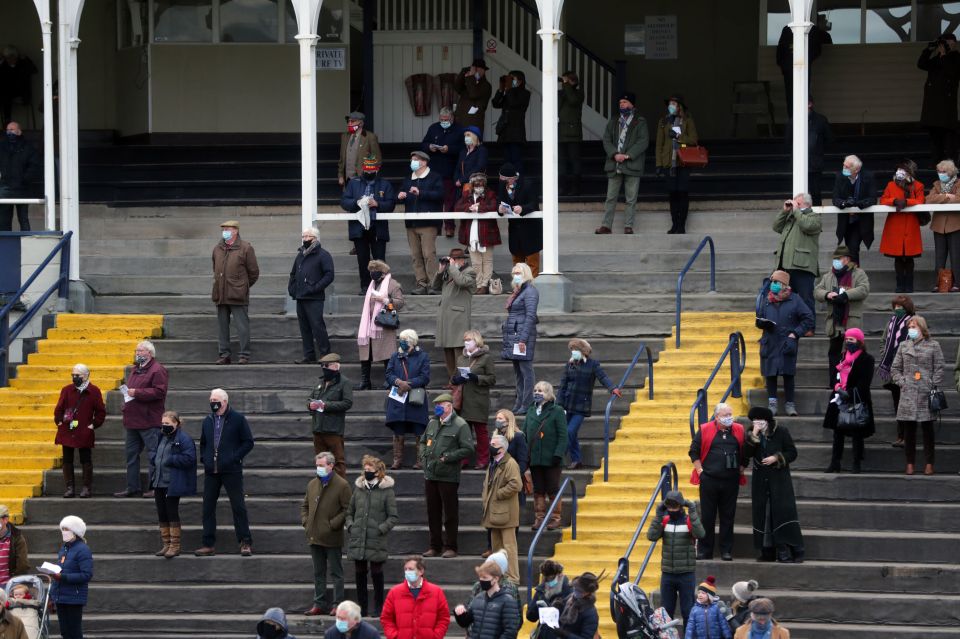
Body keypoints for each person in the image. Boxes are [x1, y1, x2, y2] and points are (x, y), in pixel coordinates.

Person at [194, 388, 255, 557]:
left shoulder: (238, 419)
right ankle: (208, 544)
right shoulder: (207, 420)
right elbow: (204, 443)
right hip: (211, 471)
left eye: (216, 399)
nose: (213, 402)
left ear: (225, 401)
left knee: (238, 507)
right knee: (207, 508)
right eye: (211, 399)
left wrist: (234, 458)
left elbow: (248, 442)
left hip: (231, 470)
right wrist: (204, 459)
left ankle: (245, 542)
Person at [744, 406, 804, 563]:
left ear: (767, 420)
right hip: (761, 480)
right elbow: (745, 454)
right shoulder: (751, 434)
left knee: (782, 512)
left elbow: (792, 452)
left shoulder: (781, 431)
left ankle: (788, 549)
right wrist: (754, 436)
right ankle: (767, 551)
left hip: (779, 480)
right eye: (754, 421)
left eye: (760, 420)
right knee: (763, 514)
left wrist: (777, 457)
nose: (757, 423)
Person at [419, 392, 474, 558]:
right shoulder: (432, 423)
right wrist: (423, 456)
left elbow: (468, 449)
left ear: (449, 406)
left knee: (450, 513)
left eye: (441, 405)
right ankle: (434, 546)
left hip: (448, 475)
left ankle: (451, 546)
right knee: (432, 512)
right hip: (431, 474)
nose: (437, 407)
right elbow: (423, 441)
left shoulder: (460, 425)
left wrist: (448, 457)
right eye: (436, 405)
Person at [689, 403, 745, 561]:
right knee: (707, 517)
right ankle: (705, 550)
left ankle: (726, 551)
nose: (729, 418)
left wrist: (740, 468)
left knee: (728, 516)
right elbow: (693, 451)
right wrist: (700, 472)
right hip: (709, 480)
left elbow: (745, 452)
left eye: (730, 414)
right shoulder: (705, 429)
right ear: (717, 416)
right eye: (725, 415)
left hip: (730, 481)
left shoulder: (738, 430)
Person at [891, 315, 945, 475]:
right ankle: (910, 463)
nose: (911, 330)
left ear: (922, 328)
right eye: (910, 327)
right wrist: (902, 382)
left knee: (928, 431)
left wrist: (932, 383)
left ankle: (929, 463)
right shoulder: (903, 345)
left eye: (914, 326)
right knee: (909, 430)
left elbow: (940, 366)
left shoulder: (934, 345)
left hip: (926, 392)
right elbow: (895, 368)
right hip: (908, 393)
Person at [556, 338, 621, 470]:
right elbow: (563, 385)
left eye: (575, 350)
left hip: (581, 405)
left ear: (583, 351)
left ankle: (557, 458)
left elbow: (603, 377)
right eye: (572, 350)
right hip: (567, 404)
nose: (573, 352)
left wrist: (612, 388)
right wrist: (559, 404)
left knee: (569, 431)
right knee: (569, 433)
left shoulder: (592, 365)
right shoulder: (569, 365)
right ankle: (577, 460)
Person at [757, 270, 815, 416]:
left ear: (784, 284)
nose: (773, 285)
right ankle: (772, 404)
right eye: (772, 282)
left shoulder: (795, 299)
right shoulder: (766, 299)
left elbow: (808, 318)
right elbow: (759, 317)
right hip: (770, 341)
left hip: (786, 342)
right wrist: (762, 324)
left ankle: (790, 404)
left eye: (776, 282)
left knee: (788, 374)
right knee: (770, 374)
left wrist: (795, 333)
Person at [346, 455, 398, 617]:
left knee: (376, 572)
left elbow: (393, 516)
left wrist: (381, 529)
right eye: (365, 469)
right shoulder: (358, 489)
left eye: (369, 469)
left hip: (376, 539)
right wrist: (351, 526)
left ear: (378, 471)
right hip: (359, 537)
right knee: (360, 572)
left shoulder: (386, 491)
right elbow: (350, 512)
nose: (366, 472)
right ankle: (362, 607)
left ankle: (378, 606)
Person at [302, 452, 352, 616]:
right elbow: (305, 506)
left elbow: (348, 509)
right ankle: (319, 603)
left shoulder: (342, 485)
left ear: (331, 465)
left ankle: (337, 604)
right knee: (318, 572)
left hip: (332, 536)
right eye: (317, 465)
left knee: (336, 573)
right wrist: (306, 522)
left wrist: (333, 524)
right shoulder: (312, 484)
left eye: (322, 465)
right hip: (314, 536)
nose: (319, 468)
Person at [116, 340, 168, 498]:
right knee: (131, 456)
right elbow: (131, 391)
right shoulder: (135, 369)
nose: (137, 353)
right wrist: (126, 402)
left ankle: (154, 488)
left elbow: (159, 392)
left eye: (141, 351)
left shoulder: (158, 370)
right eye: (136, 351)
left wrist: (136, 393)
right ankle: (133, 487)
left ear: (150, 353)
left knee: (153, 455)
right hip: (132, 420)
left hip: (149, 421)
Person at [814, 245, 871, 388]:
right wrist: (827, 295)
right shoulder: (829, 276)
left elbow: (864, 289)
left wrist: (845, 295)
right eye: (835, 259)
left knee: (853, 352)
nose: (836, 262)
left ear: (847, 259)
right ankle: (834, 382)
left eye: (839, 258)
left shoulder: (858, 273)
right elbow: (817, 291)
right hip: (834, 322)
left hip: (850, 320)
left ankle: (852, 382)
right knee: (834, 353)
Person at [646, 489, 705, 625]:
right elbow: (651, 536)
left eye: (675, 506)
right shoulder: (664, 520)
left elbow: (700, 534)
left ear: (681, 506)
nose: (672, 510)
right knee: (665, 614)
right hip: (667, 575)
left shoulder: (689, 520)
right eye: (669, 507)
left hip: (686, 575)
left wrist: (692, 510)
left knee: (688, 612)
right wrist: (658, 515)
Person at [823, 328, 875, 474]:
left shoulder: (867, 359)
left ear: (859, 341)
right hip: (839, 398)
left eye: (851, 340)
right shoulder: (842, 357)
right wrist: (837, 386)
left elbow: (865, 382)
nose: (848, 342)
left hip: (856, 399)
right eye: (847, 339)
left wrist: (849, 393)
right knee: (837, 432)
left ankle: (857, 462)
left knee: (857, 432)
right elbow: (834, 375)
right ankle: (835, 462)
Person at [597, 92, 648, 235]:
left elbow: (643, 141)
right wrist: (615, 154)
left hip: (631, 164)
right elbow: (606, 139)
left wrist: (627, 155)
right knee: (611, 197)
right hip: (615, 163)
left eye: (624, 103)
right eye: (620, 103)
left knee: (631, 198)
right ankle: (606, 225)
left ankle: (628, 225)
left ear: (632, 104)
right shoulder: (614, 121)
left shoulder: (640, 121)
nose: (622, 105)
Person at [341, 158, 395, 293]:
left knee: (380, 259)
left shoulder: (385, 184)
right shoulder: (353, 183)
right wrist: (357, 202)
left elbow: (391, 204)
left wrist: (378, 204)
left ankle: (381, 286)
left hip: (378, 227)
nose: (368, 172)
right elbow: (344, 202)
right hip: (359, 228)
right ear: (362, 170)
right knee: (362, 259)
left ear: (376, 170)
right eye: (366, 170)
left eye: (371, 170)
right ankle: (365, 287)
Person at [149, 410, 196, 559]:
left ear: (176, 423)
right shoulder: (161, 436)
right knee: (161, 513)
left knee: (171, 512)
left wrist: (171, 460)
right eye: (163, 423)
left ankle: (175, 546)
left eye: (167, 423)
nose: (164, 426)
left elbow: (190, 458)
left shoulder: (184, 438)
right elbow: (155, 452)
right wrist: (154, 458)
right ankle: (166, 544)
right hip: (158, 481)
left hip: (172, 482)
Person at [54, 364, 106, 498]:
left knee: (85, 458)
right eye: (73, 375)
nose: (75, 377)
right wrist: (59, 422)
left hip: (84, 430)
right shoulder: (66, 390)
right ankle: (70, 488)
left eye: (78, 375)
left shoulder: (94, 391)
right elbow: (58, 409)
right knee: (67, 459)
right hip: (67, 429)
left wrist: (93, 425)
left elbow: (100, 412)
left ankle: (86, 488)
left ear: (86, 375)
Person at [212, 219, 260, 365]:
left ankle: (244, 354)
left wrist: (243, 286)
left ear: (235, 231)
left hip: (238, 294)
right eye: (223, 229)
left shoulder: (246, 248)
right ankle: (224, 354)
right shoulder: (217, 248)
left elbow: (254, 272)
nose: (225, 231)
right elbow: (215, 268)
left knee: (242, 326)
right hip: (221, 294)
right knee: (222, 327)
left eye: (228, 229)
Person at [398, 150, 444, 295]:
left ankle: (434, 284)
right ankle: (421, 283)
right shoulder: (408, 179)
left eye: (416, 159)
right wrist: (399, 196)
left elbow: (440, 195)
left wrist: (421, 192)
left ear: (424, 162)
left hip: (428, 223)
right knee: (415, 255)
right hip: (411, 223)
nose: (413, 162)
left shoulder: (435, 177)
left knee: (429, 254)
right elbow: (398, 195)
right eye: (412, 159)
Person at [522, 381, 567, 531]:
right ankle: (539, 518)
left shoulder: (557, 410)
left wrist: (558, 454)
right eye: (535, 390)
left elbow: (563, 436)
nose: (536, 392)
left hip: (552, 458)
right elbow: (525, 433)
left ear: (548, 393)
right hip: (535, 458)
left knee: (552, 489)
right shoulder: (530, 411)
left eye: (540, 390)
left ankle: (555, 518)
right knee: (538, 489)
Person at [385, 329, 431, 470]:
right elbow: (389, 374)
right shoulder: (395, 356)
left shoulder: (423, 356)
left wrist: (408, 384)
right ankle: (397, 460)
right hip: (398, 398)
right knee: (398, 429)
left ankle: (420, 460)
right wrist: (399, 382)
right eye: (401, 339)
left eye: (404, 340)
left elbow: (425, 377)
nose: (402, 342)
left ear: (412, 341)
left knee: (419, 429)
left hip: (415, 399)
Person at [772, 193, 821, 324]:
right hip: (785, 265)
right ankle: (791, 324)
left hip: (803, 265)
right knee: (785, 296)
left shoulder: (814, 217)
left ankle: (809, 326)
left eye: (797, 203)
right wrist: (784, 211)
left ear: (806, 204)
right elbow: (776, 227)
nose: (794, 205)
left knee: (805, 297)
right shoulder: (792, 216)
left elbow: (807, 226)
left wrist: (796, 211)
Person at [356, 259, 404, 392]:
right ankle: (365, 381)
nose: (372, 273)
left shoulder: (393, 284)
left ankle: (389, 380)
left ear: (383, 272)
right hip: (368, 326)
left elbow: (400, 303)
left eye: (375, 271)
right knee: (366, 352)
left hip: (384, 324)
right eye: (371, 271)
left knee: (387, 353)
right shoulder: (371, 284)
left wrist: (385, 300)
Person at [288, 227, 334, 364]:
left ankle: (326, 355)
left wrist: (315, 288)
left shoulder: (323, 255)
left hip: (314, 298)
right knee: (304, 328)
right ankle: (309, 355)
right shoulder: (300, 255)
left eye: (308, 236)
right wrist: (292, 288)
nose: (305, 239)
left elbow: (329, 275)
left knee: (317, 326)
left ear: (315, 238)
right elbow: (293, 274)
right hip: (300, 297)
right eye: (304, 236)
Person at [879, 160, 926, 293]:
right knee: (898, 257)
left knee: (909, 257)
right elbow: (883, 200)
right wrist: (894, 201)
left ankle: (909, 284)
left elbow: (920, 200)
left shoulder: (918, 185)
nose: (900, 172)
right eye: (898, 169)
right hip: (895, 225)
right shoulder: (890, 184)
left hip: (910, 224)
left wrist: (906, 202)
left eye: (903, 170)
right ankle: (900, 284)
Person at [480, 435, 522, 581]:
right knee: (496, 548)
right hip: (494, 512)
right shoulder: (493, 463)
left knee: (509, 547)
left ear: (502, 448)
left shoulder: (510, 463)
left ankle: (512, 578)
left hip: (506, 513)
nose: (490, 446)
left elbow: (516, 484)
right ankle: (500, 575)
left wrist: (498, 493)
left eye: (493, 444)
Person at [655, 94, 699, 234]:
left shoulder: (687, 120)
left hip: (683, 162)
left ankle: (681, 225)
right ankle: (674, 224)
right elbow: (659, 145)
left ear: (679, 106)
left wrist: (679, 137)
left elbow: (694, 140)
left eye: (674, 104)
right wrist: (659, 164)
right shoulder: (663, 121)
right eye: (670, 104)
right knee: (672, 194)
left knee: (682, 193)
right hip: (669, 163)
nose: (671, 106)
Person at [453, 329, 496, 468]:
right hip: (463, 400)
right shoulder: (461, 358)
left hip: (478, 400)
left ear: (476, 341)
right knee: (464, 432)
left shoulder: (486, 358)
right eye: (465, 340)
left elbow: (492, 378)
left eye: (469, 340)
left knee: (481, 432)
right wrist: (456, 379)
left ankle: (483, 460)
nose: (466, 343)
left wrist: (477, 377)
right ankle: (464, 460)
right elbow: (453, 378)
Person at [876, 296, 915, 447]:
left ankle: (908, 436)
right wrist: (886, 355)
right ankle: (900, 435)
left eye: (900, 307)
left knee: (907, 405)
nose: (897, 310)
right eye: (895, 307)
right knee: (897, 404)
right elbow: (883, 341)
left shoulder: (914, 321)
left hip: (908, 370)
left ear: (907, 308)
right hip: (893, 370)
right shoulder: (891, 323)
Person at [380, 556, 450, 639]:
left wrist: (436, 636)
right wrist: (394, 636)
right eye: (405, 569)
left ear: (421, 571)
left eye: (411, 569)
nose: (407, 572)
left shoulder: (436, 592)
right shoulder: (394, 592)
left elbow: (443, 618)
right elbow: (386, 618)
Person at [434, 248, 477, 381]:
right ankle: (452, 380)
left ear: (462, 260)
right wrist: (440, 271)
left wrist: (452, 267)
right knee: (448, 350)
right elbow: (434, 286)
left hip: (458, 317)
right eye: (451, 259)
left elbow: (461, 282)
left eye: (454, 259)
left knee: (459, 351)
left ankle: (461, 380)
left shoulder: (470, 272)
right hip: (446, 317)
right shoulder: (450, 271)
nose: (451, 262)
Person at [421, 107, 465, 235]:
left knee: (449, 201)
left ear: (452, 118)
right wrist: (429, 147)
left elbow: (462, 149)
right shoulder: (433, 128)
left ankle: (449, 227)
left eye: (446, 120)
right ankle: (436, 227)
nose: (443, 121)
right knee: (435, 199)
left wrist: (449, 149)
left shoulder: (459, 130)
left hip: (450, 170)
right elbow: (423, 144)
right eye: (441, 119)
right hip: (434, 170)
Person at [308, 353, 354, 477]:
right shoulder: (320, 382)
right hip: (318, 429)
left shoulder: (344, 383)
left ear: (335, 367)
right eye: (322, 366)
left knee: (338, 462)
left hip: (333, 430)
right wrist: (310, 405)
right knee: (320, 463)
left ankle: (339, 491)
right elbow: (310, 398)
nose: (324, 368)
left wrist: (325, 405)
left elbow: (347, 403)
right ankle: (322, 486)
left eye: (326, 365)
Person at [918, 32, 960, 163]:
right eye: (944, 43)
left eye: (949, 44)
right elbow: (921, 64)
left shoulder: (956, 58)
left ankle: (951, 162)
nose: (946, 46)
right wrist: (929, 49)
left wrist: (945, 55)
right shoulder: (936, 59)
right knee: (935, 135)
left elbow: (952, 72)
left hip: (946, 104)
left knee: (949, 135)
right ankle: (937, 161)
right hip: (932, 104)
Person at [503, 263, 539, 413]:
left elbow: (530, 316)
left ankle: (527, 403)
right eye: (514, 273)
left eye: (519, 273)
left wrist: (523, 339)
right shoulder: (519, 291)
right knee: (518, 372)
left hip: (523, 336)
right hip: (515, 336)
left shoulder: (530, 291)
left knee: (526, 371)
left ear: (526, 274)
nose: (516, 275)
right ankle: (519, 403)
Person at [456, 172, 500, 294]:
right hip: (470, 233)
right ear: (472, 185)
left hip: (487, 233)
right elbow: (457, 207)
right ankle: (478, 284)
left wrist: (479, 208)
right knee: (475, 262)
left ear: (484, 184)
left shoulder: (490, 194)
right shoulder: (466, 194)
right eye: (476, 184)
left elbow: (494, 206)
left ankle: (485, 285)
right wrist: (469, 207)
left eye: (481, 183)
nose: (478, 186)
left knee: (487, 261)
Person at [50, 516, 93, 639]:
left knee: (74, 632)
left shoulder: (83, 549)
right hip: (61, 596)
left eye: (66, 529)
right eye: (62, 529)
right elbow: (60, 570)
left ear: (75, 531)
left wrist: (63, 577)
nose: (63, 532)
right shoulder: (64, 548)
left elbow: (87, 574)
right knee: (65, 632)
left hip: (74, 597)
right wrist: (52, 595)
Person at [453, 560, 520, 639]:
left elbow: (510, 632)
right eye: (480, 577)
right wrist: (460, 612)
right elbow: (465, 623)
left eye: (485, 577)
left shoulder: (508, 601)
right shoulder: (478, 598)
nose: (481, 580)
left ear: (495, 579)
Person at [497, 163, 541, 276]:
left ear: (512, 178)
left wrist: (522, 208)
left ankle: (531, 289)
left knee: (532, 263)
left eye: (504, 180)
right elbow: (499, 201)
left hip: (530, 229)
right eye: (500, 179)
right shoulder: (502, 185)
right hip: (514, 231)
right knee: (517, 264)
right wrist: (500, 209)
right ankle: (518, 289)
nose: (501, 181)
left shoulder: (528, 184)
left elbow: (534, 203)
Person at [831, 154, 877, 265]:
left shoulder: (868, 176)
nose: (844, 169)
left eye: (847, 167)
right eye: (843, 166)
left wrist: (859, 205)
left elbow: (872, 198)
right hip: (846, 221)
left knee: (853, 248)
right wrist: (844, 203)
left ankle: (855, 277)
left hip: (862, 220)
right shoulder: (840, 176)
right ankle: (852, 275)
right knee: (850, 250)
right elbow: (835, 198)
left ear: (857, 169)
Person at [925, 158, 960, 292]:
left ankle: (957, 283)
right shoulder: (936, 185)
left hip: (956, 225)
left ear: (951, 172)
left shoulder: (958, 183)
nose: (941, 173)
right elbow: (928, 200)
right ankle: (939, 283)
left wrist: (942, 198)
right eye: (939, 171)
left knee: (956, 256)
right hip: (939, 225)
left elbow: (958, 198)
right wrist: (946, 196)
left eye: (943, 171)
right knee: (939, 256)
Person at [0, 121, 40, 231]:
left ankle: (27, 242)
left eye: (12, 129)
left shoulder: (28, 147)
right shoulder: (2, 147)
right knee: (4, 220)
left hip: (22, 188)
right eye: (7, 130)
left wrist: (25, 179)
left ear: (19, 131)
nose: (9, 132)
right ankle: (5, 245)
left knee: (23, 219)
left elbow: (34, 165)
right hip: (5, 187)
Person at [492, 70, 531, 171]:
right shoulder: (509, 92)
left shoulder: (525, 93)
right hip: (505, 132)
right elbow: (496, 104)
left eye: (512, 79)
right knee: (506, 160)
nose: (510, 81)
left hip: (516, 133)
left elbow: (514, 103)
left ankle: (517, 183)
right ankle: (507, 184)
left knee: (516, 160)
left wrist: (508, 89)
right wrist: (501, 89)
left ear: (520, 81)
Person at [526, 560, 573, 639]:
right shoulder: (541, 590)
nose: (548, 581)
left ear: (559, 575)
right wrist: (538, 605)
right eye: (546, 578)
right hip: (543, 634)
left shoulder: (569, 591)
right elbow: (531, 617)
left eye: (551, 578)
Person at [338, 111, 382, 188]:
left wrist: (369, 176)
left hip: (363, 179)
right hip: (347, 179)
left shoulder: (370, 137)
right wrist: (340, 175)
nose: (349, 123)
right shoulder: (344, 136)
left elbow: (377, 159)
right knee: (347, 199)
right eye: (348, 121)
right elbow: (341, 159)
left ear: (361, 123)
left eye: (353, 121)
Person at [803, 97, 833, 206]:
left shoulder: (820, 120)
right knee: (799, 192)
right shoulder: (795, 119)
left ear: (809, 104)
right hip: (800, 163)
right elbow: (788, 140)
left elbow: (829, 140)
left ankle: (816, 217)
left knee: (815, 192)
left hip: (815, 162)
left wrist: (818, 151)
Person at [558, 71, 584, 196]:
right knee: (561, 161)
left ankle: (576, 188)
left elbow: (573, 101)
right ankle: (562, 187)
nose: (565, 83)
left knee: (574, 160)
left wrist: (567, 85)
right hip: (561, 132)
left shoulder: (579, 93)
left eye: (567, 80)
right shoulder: (562, 93)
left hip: (573, 133)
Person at [556, 572, 600, 639]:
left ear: (588, 593)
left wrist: (565, 634)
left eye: (580, 591)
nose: (576, 592)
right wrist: (558, 606)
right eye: (575, 589)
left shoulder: (590, 613)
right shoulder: (570, 598)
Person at [0, 48, 37, 126]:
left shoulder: (23, 64)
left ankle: (7, 122)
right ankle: (7, 122)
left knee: (6, 96)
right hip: (7, 93)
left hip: (21, 92)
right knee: (5, 96)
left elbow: (34, 70)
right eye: (8, 58)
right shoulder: (4, 65)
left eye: (12, 57)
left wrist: (26, 59)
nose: (10, 59)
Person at [454, 59, 492, 133]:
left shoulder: (486, 85)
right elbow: (457, 88)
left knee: (472, 144)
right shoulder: (469, 82)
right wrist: (463, 73)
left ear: (483, 71)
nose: (475, 71)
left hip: (474, 123)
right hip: (461, 121)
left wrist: (470, 77)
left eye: (477, 69)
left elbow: (473, 94)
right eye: (474, 69)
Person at [454, 126, 489, 193]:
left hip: (475, 186)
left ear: (475, 136)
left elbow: (479, 167)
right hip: (460, 187)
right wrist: (456, 180)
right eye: (465, 135)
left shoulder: (481, 150)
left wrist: (462, 180)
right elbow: (458, 168)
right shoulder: (463, 151)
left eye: (468, 135)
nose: (466, 137)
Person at [0, 504, 28, 586]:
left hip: (7, 586)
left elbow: (22, 564)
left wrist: (14, 585)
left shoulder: (16, 537)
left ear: (5, 520)